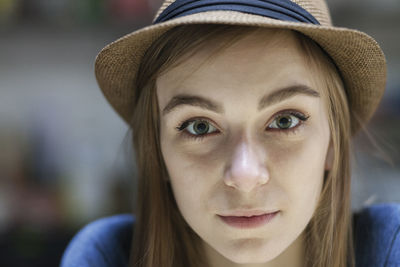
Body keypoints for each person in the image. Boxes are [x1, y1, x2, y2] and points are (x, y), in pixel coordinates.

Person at [60, 0, 400, 267]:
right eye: (200, 127)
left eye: (285, 121)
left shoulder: (388, 247)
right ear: (158, 152)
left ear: (333, 143)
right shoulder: (106, 256)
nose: (245, 175)